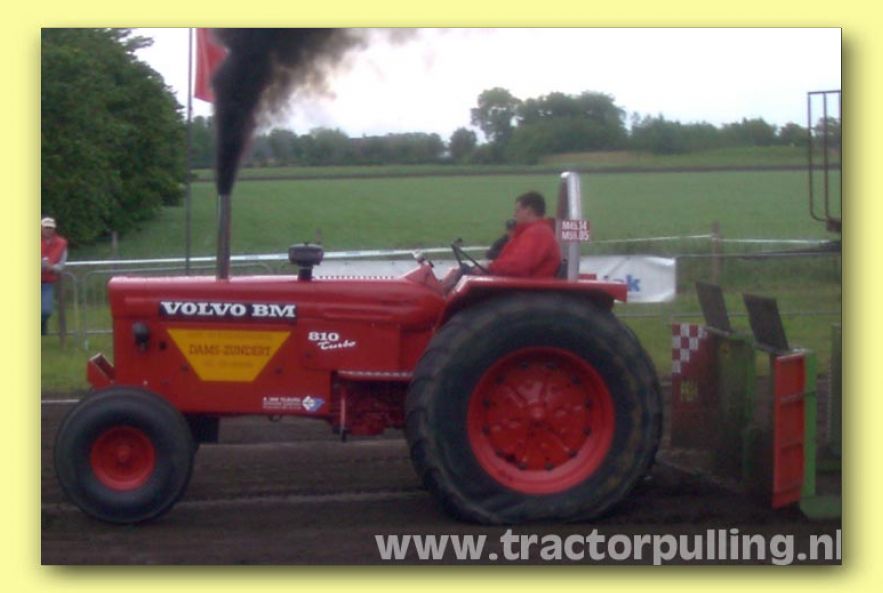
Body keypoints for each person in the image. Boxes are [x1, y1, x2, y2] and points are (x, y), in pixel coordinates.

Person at [487, 191, 561, 278]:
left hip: (525, 285)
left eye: (517, 211)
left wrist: (490, 267)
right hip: (517, 282)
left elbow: (518, 266)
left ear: (528, 211)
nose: (514, 215)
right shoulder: (531, 232)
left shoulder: (538, 233)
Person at [41, 217, 68, 335]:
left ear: (54, 229)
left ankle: (41, 324)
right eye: (46, 227)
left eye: (50, 228)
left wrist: (52, 268)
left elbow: (61, 264)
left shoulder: (61, 243)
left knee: (46, 310)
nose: (48, 230)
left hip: (48, 282)